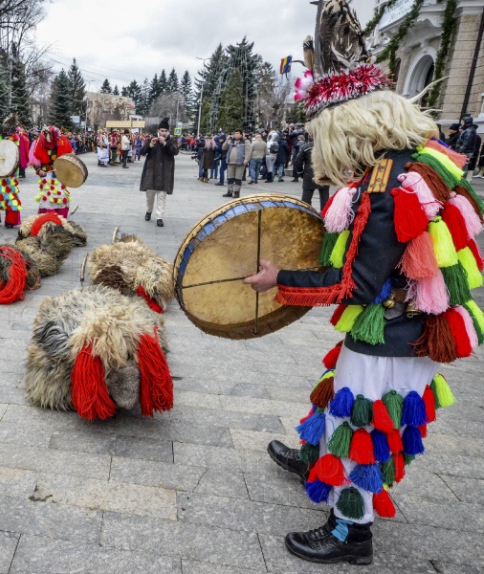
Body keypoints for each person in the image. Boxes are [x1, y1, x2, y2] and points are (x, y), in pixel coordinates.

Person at [245, 7, 484, 565]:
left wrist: (280, 279)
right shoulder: (423, 158)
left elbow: (354, 282)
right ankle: (313, 459)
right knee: (339, 392)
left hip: (393, 334)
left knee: (359, 425)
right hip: (409, 327)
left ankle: (351, 533)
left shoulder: (386, 187)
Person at [139, 117, 178, 227]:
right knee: (149, 196)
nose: (163, 133)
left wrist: (165, 143)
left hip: (165, 173)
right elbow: (142, 152)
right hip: (151, 173)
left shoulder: (171, 141)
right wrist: (150, 145)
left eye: (165, 131)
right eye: (162, 131)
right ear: (158, 130)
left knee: (162, 197)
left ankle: (159, 217)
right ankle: (149, 211)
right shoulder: (151, 139)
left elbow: (175, 151)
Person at [30, 124, 74, 217]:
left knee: (61, 195)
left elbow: (70, 156)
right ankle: (47, 218)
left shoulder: (63, 140)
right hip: (46, 174)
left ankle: (61, 217)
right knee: (48, 197)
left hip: (60, 174)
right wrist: (39, 170)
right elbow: (34, 159)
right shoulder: (39, 141)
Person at [294, 135, 330, 210]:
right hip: (324, 174)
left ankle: (306, 216)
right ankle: (324, 217)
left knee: (306, 200)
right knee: (325, 199)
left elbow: (298, 161)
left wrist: (301, 173)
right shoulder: (327, 147)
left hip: (308, 175)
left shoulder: (306, 147)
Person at [222, 129, 252, 198]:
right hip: (230, 162)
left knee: (238, 178)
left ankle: (236, 192)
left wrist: (246, 159)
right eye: (235, 133)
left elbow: (249, 151)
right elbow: (224, 147)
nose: (236, 134)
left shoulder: (245, 141)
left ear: (241, 134)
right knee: (230, 178)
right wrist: (227, 140)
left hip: (240, 163)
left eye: (238, 133)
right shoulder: (231, 141)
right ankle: (229, 191)